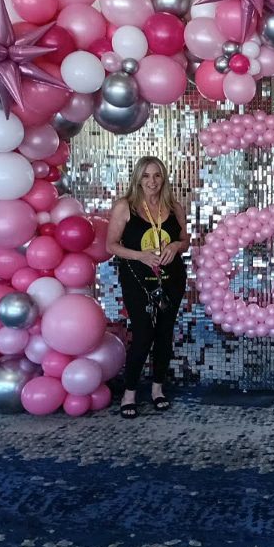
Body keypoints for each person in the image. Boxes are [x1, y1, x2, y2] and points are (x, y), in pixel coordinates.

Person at [106, 156, 189, 419]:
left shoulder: (174, 207)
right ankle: (129, 393)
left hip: (171, 278)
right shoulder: (125, 206)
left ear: (163, 178)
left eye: (157, 175)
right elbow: (111, 245)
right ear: (138, 179)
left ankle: (157, 389)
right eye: (146, 176)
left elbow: (185, 240)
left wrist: (176, 246)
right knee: (143, 335)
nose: (152, 181)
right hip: (138, 280)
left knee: (164, 333)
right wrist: (140, 256)